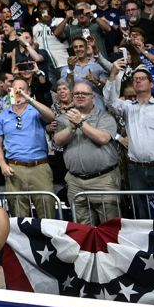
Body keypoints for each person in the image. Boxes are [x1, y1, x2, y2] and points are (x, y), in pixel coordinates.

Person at [104, 65, 154, 220]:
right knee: (142, 214)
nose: (138, 81)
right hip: (135, 169)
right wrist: (112, 75)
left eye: (142, 78)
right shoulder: (127, 107)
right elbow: (109, 101)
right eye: (135, 79)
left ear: (151, 84)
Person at [53, 79, 122, 225]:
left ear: (93, 97)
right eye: (76, 93)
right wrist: (71, 127)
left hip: (103, 181)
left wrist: (81, 123)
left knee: (110, 227)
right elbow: (58, 141)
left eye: (85, 93)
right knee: (83, 228)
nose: (80, 96)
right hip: (75, 182)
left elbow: (103, 138)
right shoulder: (64, 119)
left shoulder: (105, 117)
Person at [0, 77, 58, 218]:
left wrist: (29, 99)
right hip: (14, 168)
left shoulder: (35, 111)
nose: (18, 93)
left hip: (40, 166)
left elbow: (51, 116)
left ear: (28, 91)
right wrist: (2, 164)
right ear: (9, 92)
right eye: (15, 89)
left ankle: (47, 240)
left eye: (21, 89)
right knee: (18, 215)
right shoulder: (2, 116)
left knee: (47, 212)